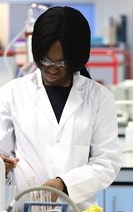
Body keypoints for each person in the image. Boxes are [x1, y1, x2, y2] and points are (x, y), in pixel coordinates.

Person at [0, 6, 122, 210]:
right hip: (23, 206)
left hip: (76, 206)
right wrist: (2, 163)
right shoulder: (11, 94)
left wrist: (64, 185)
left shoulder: (99, 98)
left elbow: (107, 163)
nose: (52, 68)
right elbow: (2, 151)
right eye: (45, 60)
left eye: (62, 62)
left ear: (77, 58)